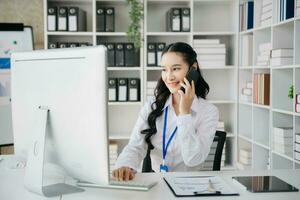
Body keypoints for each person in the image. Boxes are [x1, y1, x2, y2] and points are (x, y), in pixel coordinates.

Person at [112, 42, 219, 181]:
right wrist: (125, 165)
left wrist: (184, 113)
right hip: (159, 183)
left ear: (193, 69)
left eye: (175, 69)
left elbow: (193, 159)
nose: (169, 77)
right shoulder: (153, 106)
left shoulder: (209, 111)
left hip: (191, 185)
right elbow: (136, 144)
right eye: (164, 69)